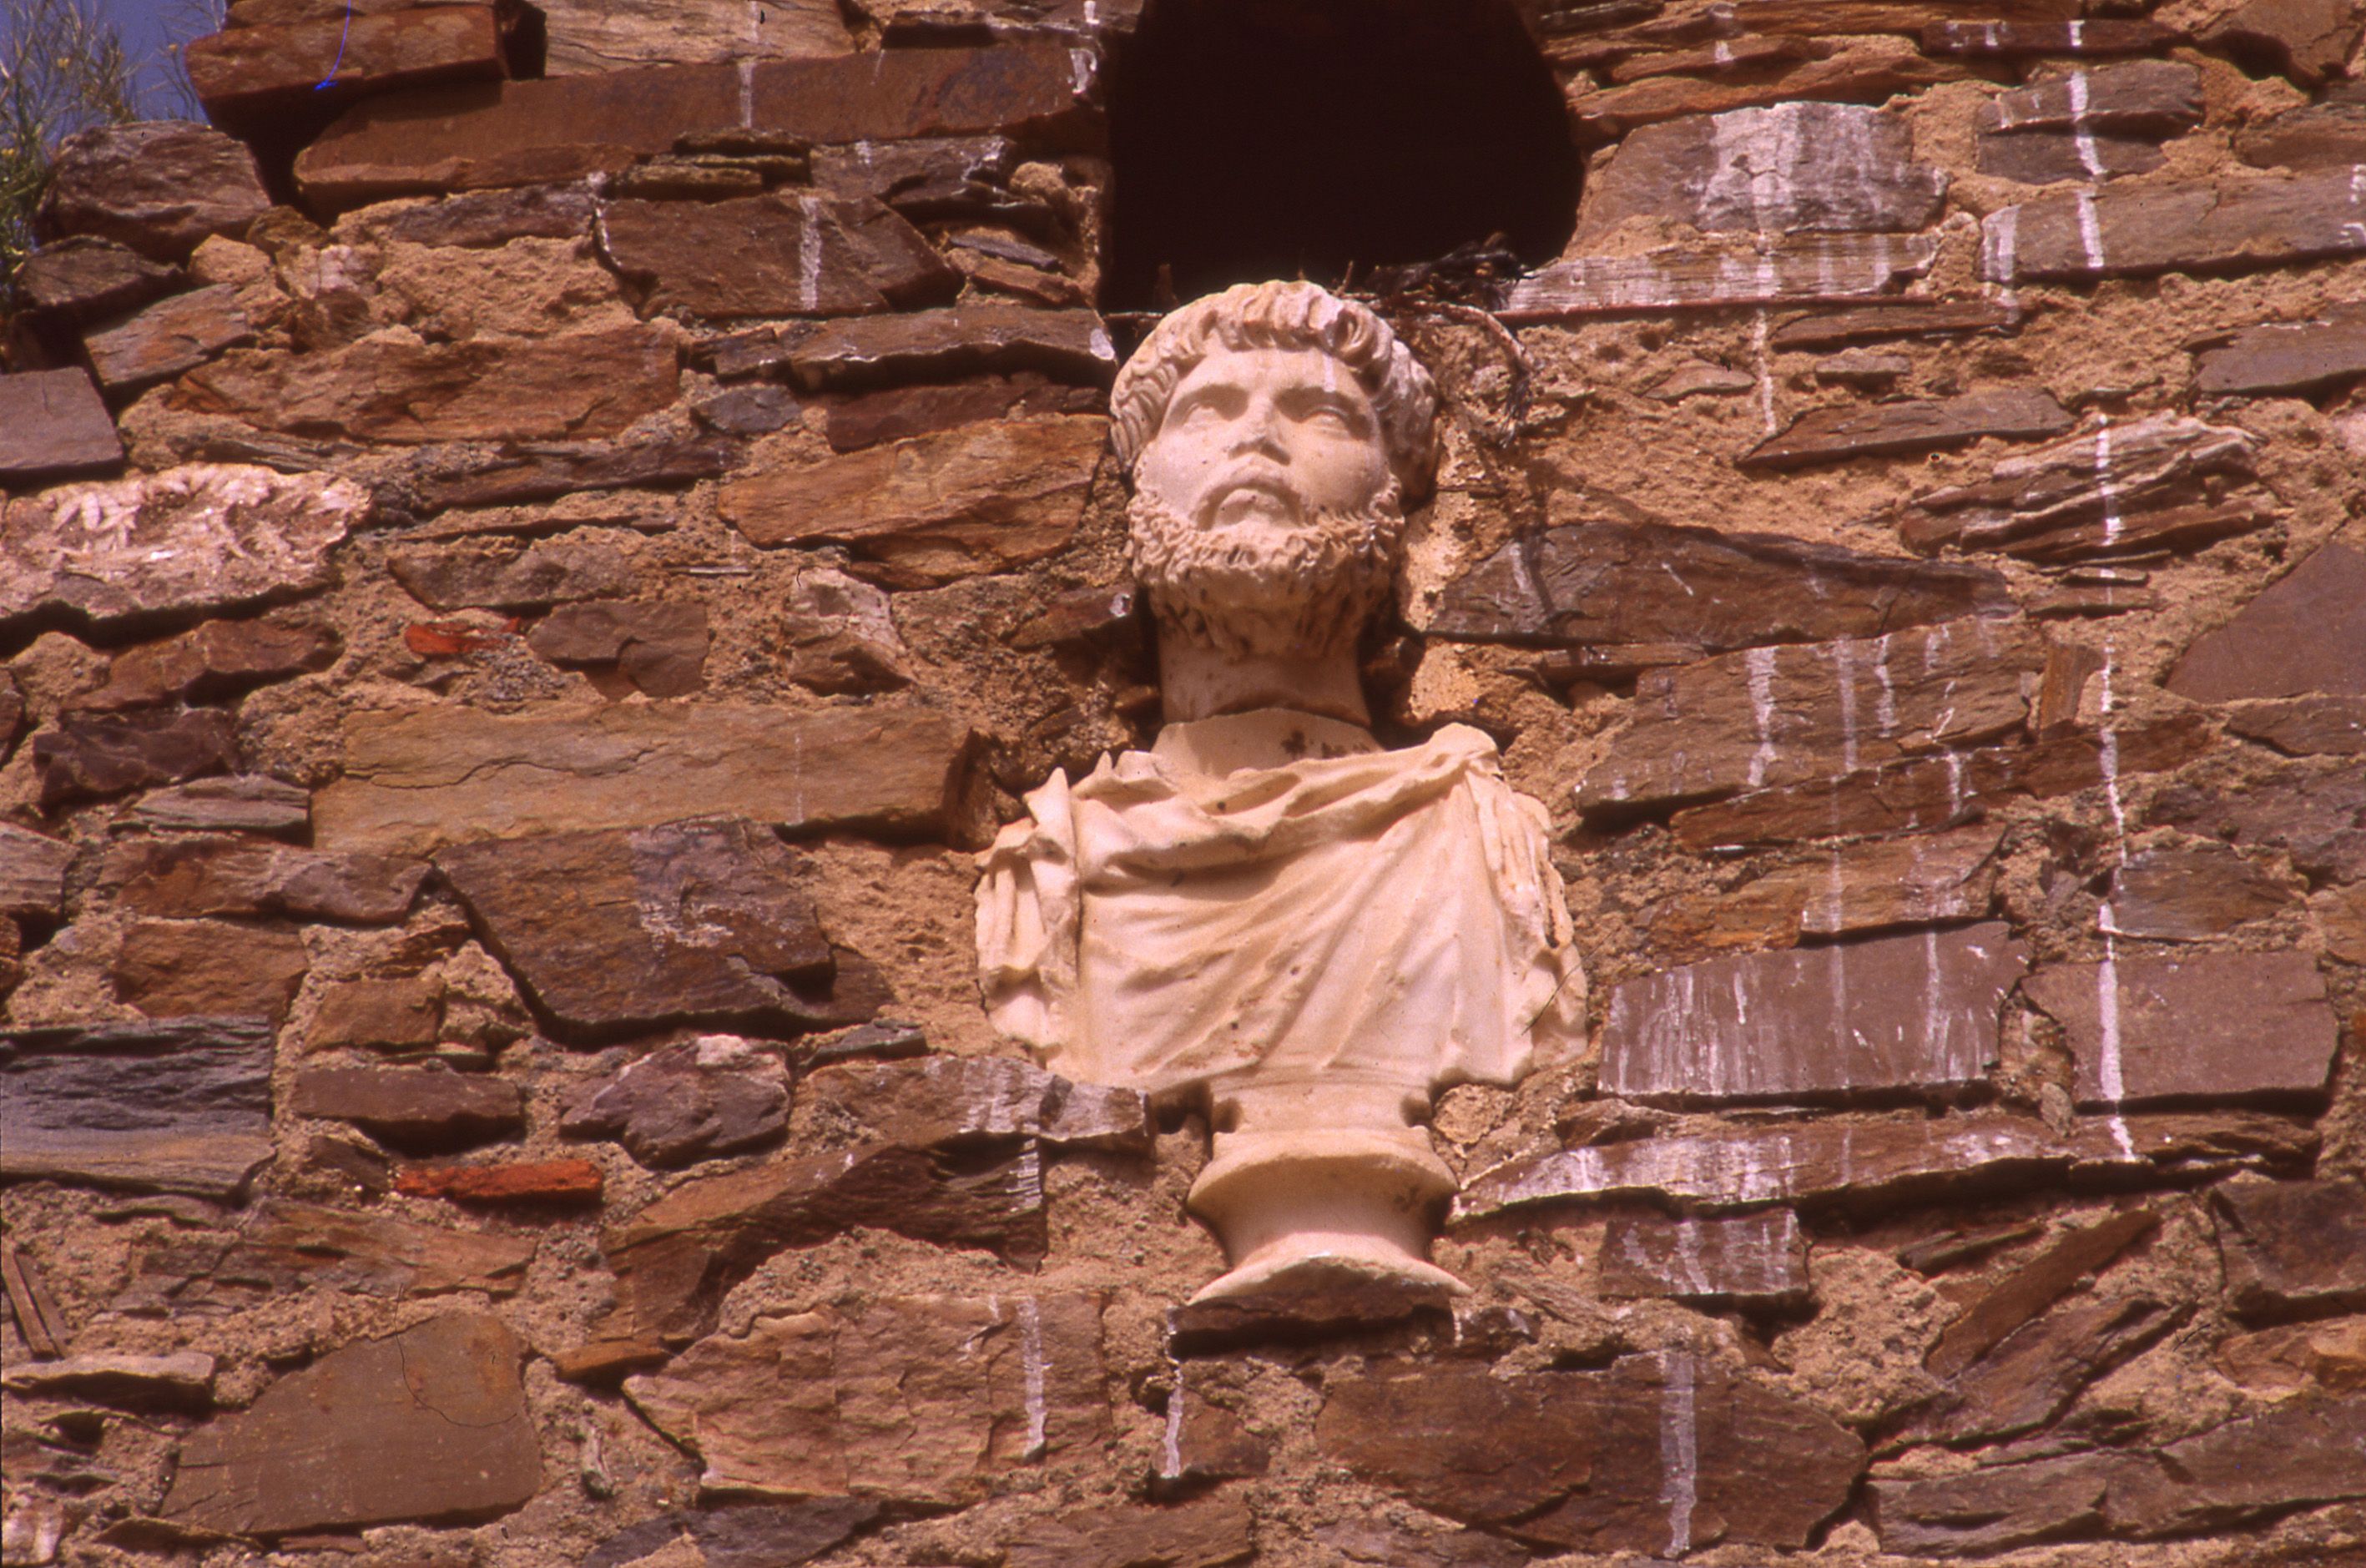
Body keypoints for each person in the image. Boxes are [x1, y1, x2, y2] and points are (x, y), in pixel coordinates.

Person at [976, 280, 1583, 1299]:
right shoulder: (1052, 871)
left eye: (1323, 414)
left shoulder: (1482, 842)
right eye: (1207, 410)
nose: (1256, 437)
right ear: (1141, 489)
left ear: (1397, 493)